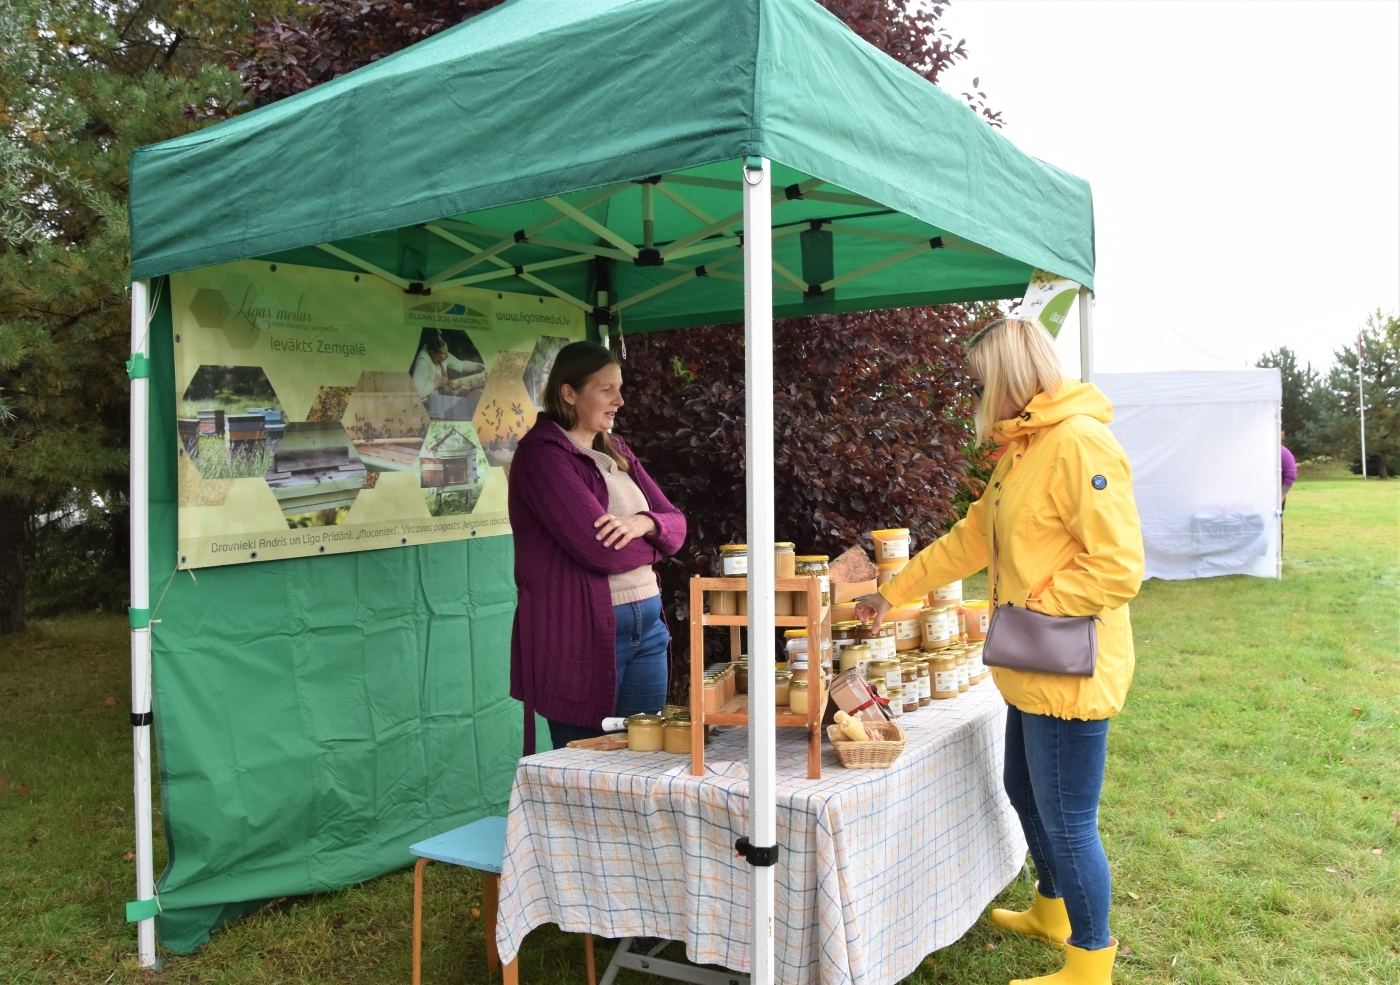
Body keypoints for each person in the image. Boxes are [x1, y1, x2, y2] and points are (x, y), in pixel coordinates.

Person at [857, 317, 1144, 985]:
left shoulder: (1079, 444)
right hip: (1033, 664)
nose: (976, 393)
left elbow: (1119, 566)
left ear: (1011, 377)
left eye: (982, 381)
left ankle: (1090, 962)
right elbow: (969, 538)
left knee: (1069, 819)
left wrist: (1031, 610)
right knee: (1024, 789)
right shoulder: (1023, 450)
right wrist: (892, 592)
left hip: (1069, 667)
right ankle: (1052, 909)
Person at [508, 341, 687, 753]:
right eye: (606, 389)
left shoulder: (617, 449)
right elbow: (602, 552)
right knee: (588, 772)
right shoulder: (544, 458)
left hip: (648, 628)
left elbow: (676, 524)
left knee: (643, 759)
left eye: (618, 388)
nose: (619, 400)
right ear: (569, 393)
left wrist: (644, 523)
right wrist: (658, 545)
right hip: (580, 635)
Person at [409, 328, 485, 399]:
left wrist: (478, 366)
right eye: (443, 353)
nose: (447, 355)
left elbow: (460, 365)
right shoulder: (423, 361)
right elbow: (415, 393)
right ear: (433, 353)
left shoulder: (443, 356)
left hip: (439, 398)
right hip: (427, 402)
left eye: (446, 351)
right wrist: (435, 384)